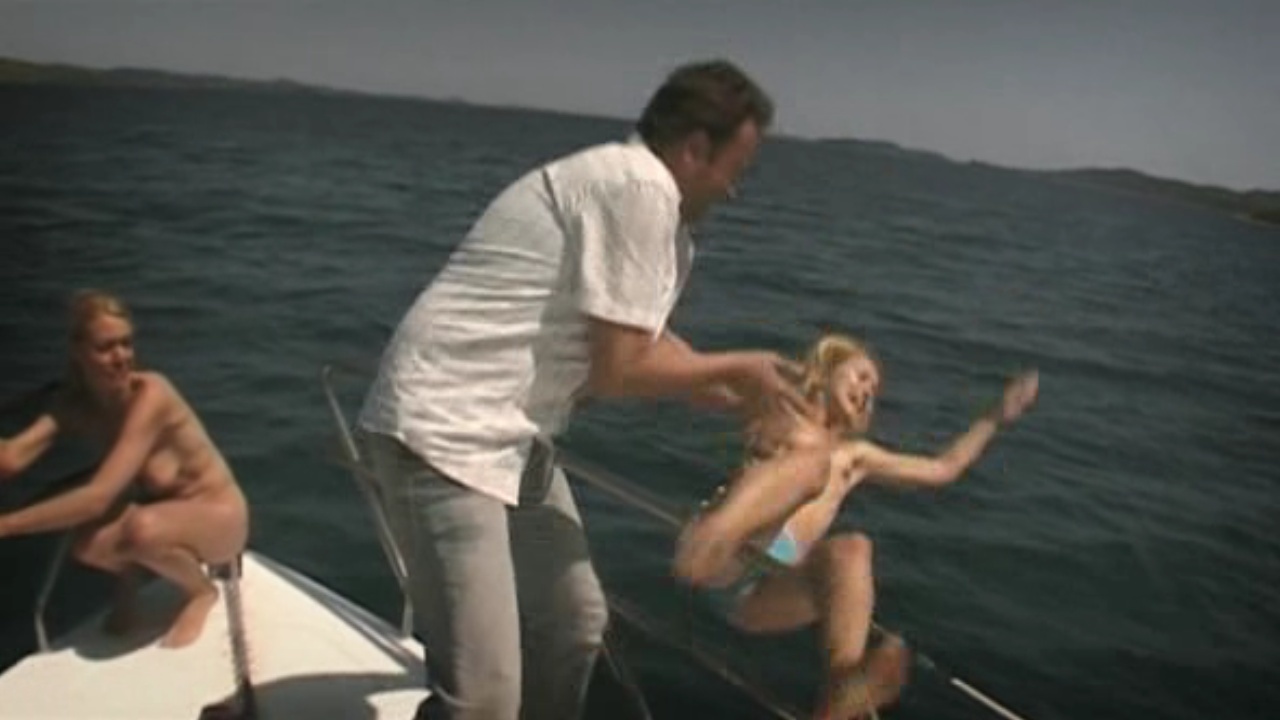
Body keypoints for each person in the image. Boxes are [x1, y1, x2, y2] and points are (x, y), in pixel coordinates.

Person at [356, 59, 808, 720]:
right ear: (694, 149)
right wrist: (743, 365)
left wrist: (758, 401)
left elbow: (653, 348)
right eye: (735, 169)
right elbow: (618, 371)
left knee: (574, 622)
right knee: (483, 701)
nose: (735, 190)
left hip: (510, 438)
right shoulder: (638, 186)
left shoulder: (665, 228)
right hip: (440, 432)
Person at [673, 333, 1040, 720]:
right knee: (806, 467)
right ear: (826, 371)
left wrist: (996, 415)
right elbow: (694, 381)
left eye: (873, 391)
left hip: (762, 592)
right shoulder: (778, 410)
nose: (867, 392)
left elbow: (943, 468)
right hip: (726, 557)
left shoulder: (854, 458)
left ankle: (842, 690)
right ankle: (712, 539)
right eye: (861, 377)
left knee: (853, 548)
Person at [0, 289, 250, 648]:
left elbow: (97, 497)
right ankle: (130, 580)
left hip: (220, 517)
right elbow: (12, 457)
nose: (121, 357)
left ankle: (200, 592)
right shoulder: (76, 405)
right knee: (87, 544)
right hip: (168, 514)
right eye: (106, 348)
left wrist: (8, 525)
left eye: (126, 344)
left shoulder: (151, 395)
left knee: (140, 529)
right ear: (78, 352)